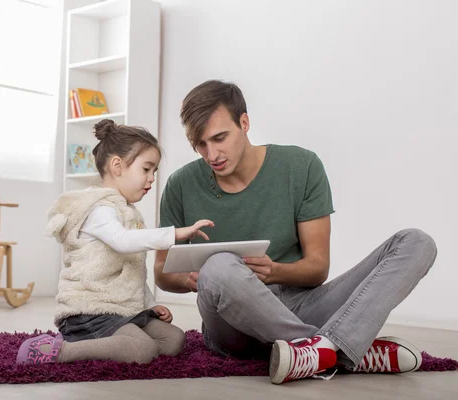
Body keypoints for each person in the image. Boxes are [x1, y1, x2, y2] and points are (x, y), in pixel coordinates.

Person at [154, 79, 437, 384]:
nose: (212, 155)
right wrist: (192, 279)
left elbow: (317, 269)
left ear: (244, 123)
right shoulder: (180, 186)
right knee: (219, 266)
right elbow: (160, 271)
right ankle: (345, 348)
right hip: (229, 325)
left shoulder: (301, 166)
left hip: (301, 306)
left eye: (220, 138)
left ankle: (316, 351)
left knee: (417, 243)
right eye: (200, 144)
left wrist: (274, 271)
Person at [16, 119, 214, 366]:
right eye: (146, 169)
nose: (152, 179)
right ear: (118, 166)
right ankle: (61, 351)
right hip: (89, 312)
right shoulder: (99, 209)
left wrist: (150, 305)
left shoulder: (129, 213)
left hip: (120, 309)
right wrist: (174, 234)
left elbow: (131, 271)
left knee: (173, 340)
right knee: (142, 350)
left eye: (154, 172)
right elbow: (122, 242)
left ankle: (118, 339)